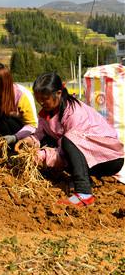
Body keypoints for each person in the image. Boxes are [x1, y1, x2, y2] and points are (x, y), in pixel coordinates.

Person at [16, 72, 125, 207]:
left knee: (68, 140)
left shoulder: (74, 112)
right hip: (87, 157)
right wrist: (29, 141)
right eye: (38, 99)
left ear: (59, 93)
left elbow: (68, 147)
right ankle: (83, 179)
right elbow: (39, 134)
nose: (41, 103)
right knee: (50, 140)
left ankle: (84, 193)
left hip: (108, 158)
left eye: (45, 99)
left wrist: (41, 156)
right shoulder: (47, 113)